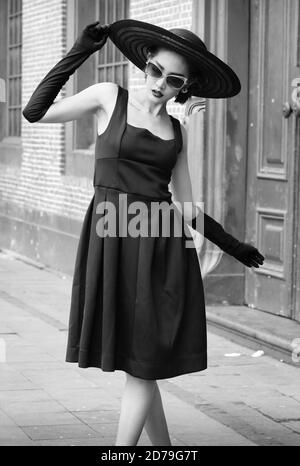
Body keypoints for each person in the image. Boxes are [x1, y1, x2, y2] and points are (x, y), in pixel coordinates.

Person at [22, 19, 265, 447]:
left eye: (174, 80)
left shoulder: (178, 132)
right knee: (141, 364)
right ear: (145, 64)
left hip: (161, 251)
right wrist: (82, 50)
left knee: (144, 363)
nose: (160, 84)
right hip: (111, 239)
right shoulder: (107, 98)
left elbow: (186, 206)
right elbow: (34, 111)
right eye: (156, 71)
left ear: (184, 87)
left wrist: (233, 245)